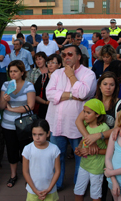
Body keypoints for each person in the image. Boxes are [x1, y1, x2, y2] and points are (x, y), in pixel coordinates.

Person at [46, 44, 97, 191]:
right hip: (57, 123)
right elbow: (49, 94)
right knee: (57, 157)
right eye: (63, 55)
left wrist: (71, 76)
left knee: (80, 157)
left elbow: (82, 93)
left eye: (69, 54)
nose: (66, 57)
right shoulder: (57, 73)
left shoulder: (88, 74)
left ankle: (79, 186)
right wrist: (70, 95)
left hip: (77, 125)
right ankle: (57, 183)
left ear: (78, 56)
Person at [0, 60, 36, 188]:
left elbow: (30, 106)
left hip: (24, 124)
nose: (12, 74)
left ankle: (27, 175)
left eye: (15, 71)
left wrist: (12, 109)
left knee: (25, 150)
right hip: (8, 124)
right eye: (10, 71)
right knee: (11, 150)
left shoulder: (28, 86)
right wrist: (5, 99)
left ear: (22, 72)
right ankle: (13, 175)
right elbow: (1, 106)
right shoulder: (6, 85)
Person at [74, 99, 109, 201]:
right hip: (84, 165)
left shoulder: (104, 128)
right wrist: (79, 149)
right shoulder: (86, 125)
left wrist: (92, 151)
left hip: (97, 168)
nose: (85, 115)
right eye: (84, 112)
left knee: (95, 195)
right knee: (78, 191)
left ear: (97, 114)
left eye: (88, 113)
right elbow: (83, 142)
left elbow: (109, 150)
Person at [22, 119, 61, 201]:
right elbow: (25, 171)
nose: (37, 137)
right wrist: (34, 190)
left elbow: (57, 171)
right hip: (32, 191)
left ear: (48, 133)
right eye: (34, 134)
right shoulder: (27, 149)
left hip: (50, 191)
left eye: (40, 134)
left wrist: (49, 189)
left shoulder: (54, 149)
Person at [34, 54, 62, 119]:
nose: (50, 65)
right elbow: (35, 95)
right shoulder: (42, 77)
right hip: (44, 109)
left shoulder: (63, 78)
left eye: (53, 63)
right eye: (48, 63)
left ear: (59, 65)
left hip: (59, 109)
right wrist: (46, 102)